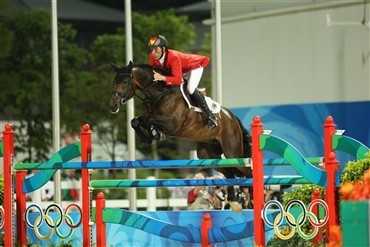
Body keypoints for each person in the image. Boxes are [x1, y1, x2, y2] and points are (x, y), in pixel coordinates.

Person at [148, 34, 218, 129]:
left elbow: (177, 79)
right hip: (181, 70)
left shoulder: (173, 57)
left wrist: (163, 78)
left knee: (190, 89)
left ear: (164, 49)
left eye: (156, 49)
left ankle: (210, 116)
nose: (153, 52)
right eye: (151, 49)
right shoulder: (152, 58)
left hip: (194, 66)